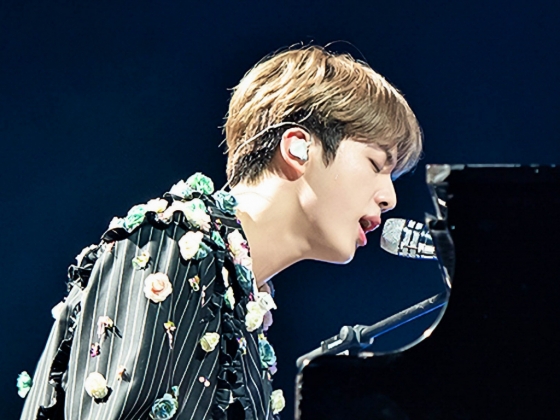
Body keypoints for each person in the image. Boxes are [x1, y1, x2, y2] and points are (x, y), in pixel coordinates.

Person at [18, 45, 422, 420]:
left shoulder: (236, 299)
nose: (389, 198)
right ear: (298, 148)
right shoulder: (171, 245)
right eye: (376, 164)